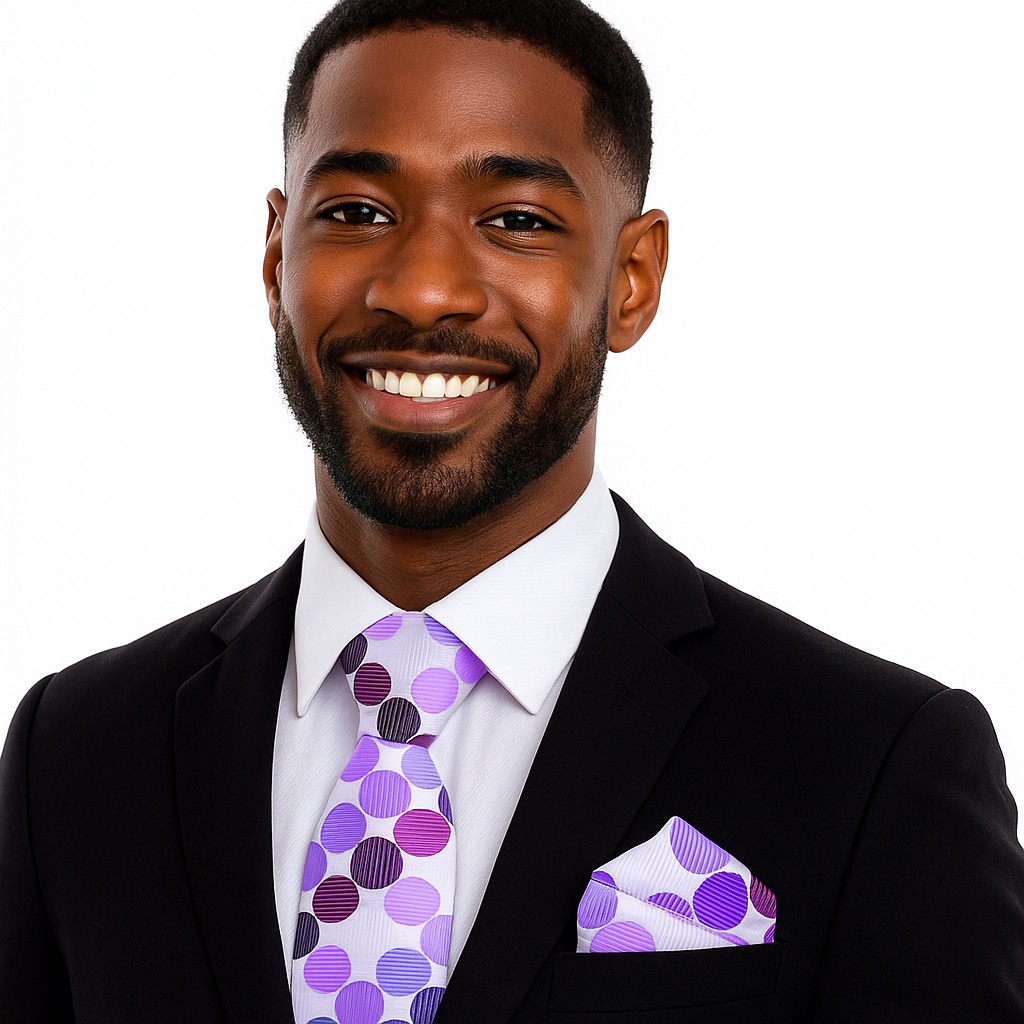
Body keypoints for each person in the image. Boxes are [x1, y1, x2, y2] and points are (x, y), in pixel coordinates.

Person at [2, 0, 1022, 1021]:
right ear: (277, 255)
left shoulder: (869, 760)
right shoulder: (78, 753)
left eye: (516, 221)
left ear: (631, 280)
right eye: (357, 211)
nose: (424, 290)